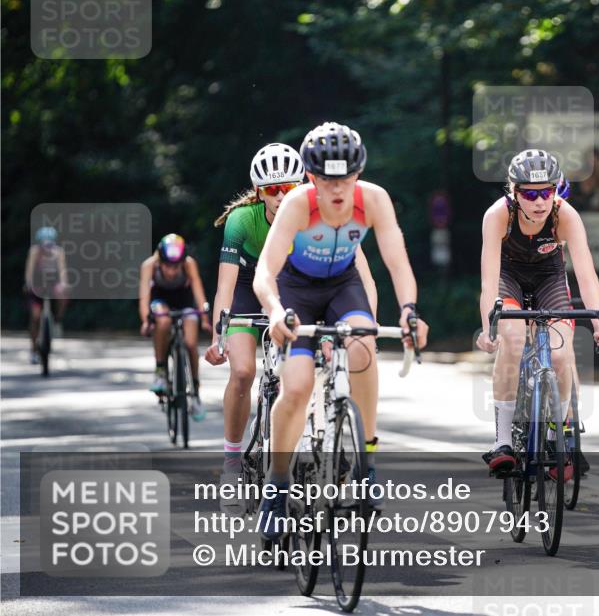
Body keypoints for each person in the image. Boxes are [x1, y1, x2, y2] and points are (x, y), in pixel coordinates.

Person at [253, 121, 428, 540]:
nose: (337, 188)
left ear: (359, 174)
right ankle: (276, 487)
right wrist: (275, 311)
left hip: (342, 286)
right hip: (296, 290)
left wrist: (408, 312)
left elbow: (398, 263)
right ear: (312, 176)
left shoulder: (374, 201)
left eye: (346, 178)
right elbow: (265, 270)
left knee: (364, 346)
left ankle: (367, 462)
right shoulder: (297, 203)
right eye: (328, 179)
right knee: (295, 389)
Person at [203, 143, 379, 515]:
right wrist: (219, 334)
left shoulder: (320, 213)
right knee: (243, 371)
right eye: (272, 190)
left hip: (296, 284)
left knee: (310, 366)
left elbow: (360, 272)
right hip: (251, 286)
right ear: (259, 192)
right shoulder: (242, 220)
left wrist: (368, 324)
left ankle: (313, 443)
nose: (282, 196)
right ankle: (232, 463)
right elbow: (226, 287)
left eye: (289, 187)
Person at [476, 149, 599, 477]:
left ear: (557, 190)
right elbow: (487, 279)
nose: (539, 201)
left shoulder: (564, 215)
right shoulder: (498, 215)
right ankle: (502, 440)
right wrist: (489, 328)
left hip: (549, 277)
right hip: (507, 277)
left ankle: (556, 436)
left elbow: (584, 272)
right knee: (511, 341)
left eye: (547, 192)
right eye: (530, 193)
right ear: (514, 192)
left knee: (559, 352)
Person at [138, 234, 211, 420]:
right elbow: (144, 297)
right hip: (160, 302)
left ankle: (194, 391)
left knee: (191, 343)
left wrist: (204, 317)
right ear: (160, 260)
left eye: (176, 266)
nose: (171, 271)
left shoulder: (188, 263)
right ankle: (161, 371)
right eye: (167, 266)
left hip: (184, 303)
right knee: (162, 321)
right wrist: (146, 321)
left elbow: (198, 290)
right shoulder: (149, 265)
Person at [24, 226, 69, 362]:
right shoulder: (34, 252)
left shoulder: (58, 252)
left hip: (51, 285)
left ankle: (57, 320)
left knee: (63, 295)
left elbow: (62, 270)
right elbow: (29, 271)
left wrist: (64, 284)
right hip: (37, 286)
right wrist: (28, 284)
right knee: (35, 317)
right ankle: (33, 349)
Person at [570, 146, 599, 212]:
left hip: (587, 212)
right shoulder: (576, 175)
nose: (592, 164)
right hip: (572, 211)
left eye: (595, 161)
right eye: (590, 161)